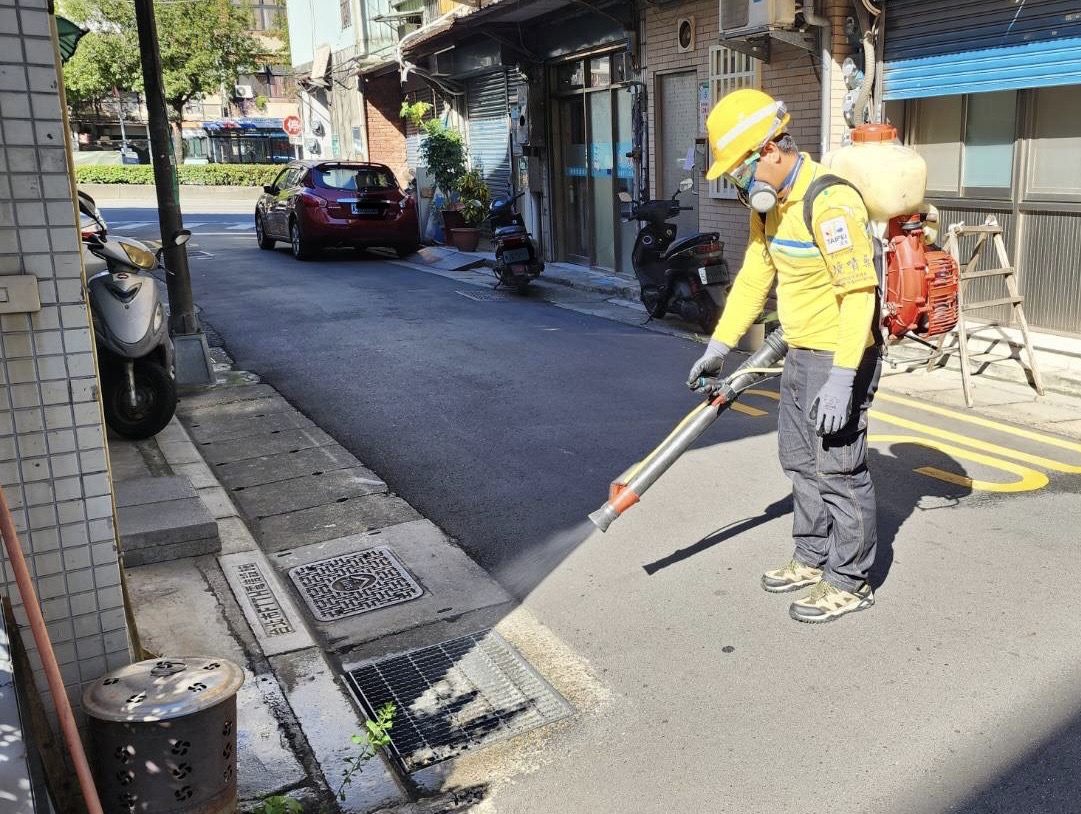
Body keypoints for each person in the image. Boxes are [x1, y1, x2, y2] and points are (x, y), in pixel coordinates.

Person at [688, 88, 882, 624]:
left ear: (770, 149)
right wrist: (719, 346)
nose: (738, 183)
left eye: (740, 170)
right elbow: (755, 278)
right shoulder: (769, 210)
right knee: (800, 462)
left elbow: (859, 294)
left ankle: (850, 579)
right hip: (799, 351)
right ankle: (812, 556)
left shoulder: (830, 201)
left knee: (839, 469)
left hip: (840, 356)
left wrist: (844, 378)